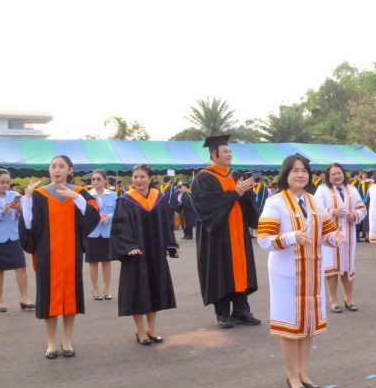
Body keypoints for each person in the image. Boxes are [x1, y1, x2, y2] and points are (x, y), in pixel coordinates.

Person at [257, 154, 344, 388]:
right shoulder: (275, 202)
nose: (300, 174)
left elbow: (327, 232)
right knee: (290, 326)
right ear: (285, 174)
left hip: (312, 273)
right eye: (295, 170)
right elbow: (264, 240)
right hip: (287, 275)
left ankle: (304, 372)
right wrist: (291, 237)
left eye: (304, 170)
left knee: (308, 326)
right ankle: (292, 375)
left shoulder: (315, 202)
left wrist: (335, 237)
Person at [18, 155, 101, 359]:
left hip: (71, 255)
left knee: (70, 298)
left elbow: (94, 215)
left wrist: (77, 198)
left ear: (70, 170)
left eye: (61, 166)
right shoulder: (39, 195)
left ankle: (67, 341)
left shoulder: (80, 193)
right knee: (49, 299)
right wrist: (26, 198)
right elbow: (28, 226)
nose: (56, 170)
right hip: (47, 255)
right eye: (53, 166)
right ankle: (51, 343)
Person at [192, 135, 260, 329]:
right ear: (214, 155)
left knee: (241, 270)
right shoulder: (203, 178)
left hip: (238, 233)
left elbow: (247, 203)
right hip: (218, 236)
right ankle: (222, 313)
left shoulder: (236, 175)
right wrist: (235, 194)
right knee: (220, 272)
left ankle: (241, 311)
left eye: (230, 151)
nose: (229, 154)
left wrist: (246, 193)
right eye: (225, 151)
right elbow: (208, 208)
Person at [110, 164, 179, 345]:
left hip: (155, 252)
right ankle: (140, 330)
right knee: (138, 292)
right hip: (136, 254)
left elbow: (166, 223)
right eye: (135, 177)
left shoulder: (159, 198)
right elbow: (120, 227)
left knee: (154, 289)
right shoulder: (125, 200)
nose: (138, 180)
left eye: (142, 177)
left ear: (150, 179)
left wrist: (170, 244)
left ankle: (152, 329)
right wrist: (129, 246)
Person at [314, 163, 367, 313]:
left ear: (344, 174)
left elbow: (362, 208)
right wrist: (332, 211)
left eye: (339, 173)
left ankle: (349, 299)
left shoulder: (352, 189)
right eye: (333, 174)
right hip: (330, 235)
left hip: (349, 234)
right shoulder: (322, 190)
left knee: (347, 266)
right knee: (332, 267)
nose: (337, 176)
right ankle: (333, 299)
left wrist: (354, 215)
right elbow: (316, 209)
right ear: (328, 176)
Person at [0, 169, 33, 312]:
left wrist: (19, 208)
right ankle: (0, 301)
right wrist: (1, 212)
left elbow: (26, 213)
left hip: (14, 236)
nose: (5, 185)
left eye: (8, 182)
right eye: (2, 182)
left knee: (21, 267)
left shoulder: (15, 195)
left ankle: (24, 298)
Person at [86, 170, 116, 301]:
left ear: (105, 181)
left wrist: (108, 216)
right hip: (92, 233)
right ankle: (95, 288)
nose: (95, 181)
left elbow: (118, 211)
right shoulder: (87, 195)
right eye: (93, 179)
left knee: (106, 262)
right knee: (93, 262)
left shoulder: (113, 195)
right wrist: (95, 217)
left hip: (107, 233)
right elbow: (83, 213)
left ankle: (107, 288)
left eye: (98, 179)